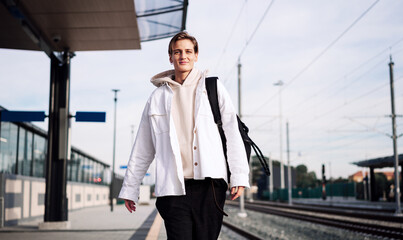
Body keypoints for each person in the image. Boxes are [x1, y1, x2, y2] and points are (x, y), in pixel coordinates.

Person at [118, 31, 250, 240]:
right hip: (173, 188)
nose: (183, 56)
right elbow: (143, 147)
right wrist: (130, 188)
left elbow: (233, 133)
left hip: (210, 187)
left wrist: (239, 176)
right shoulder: (157, 97)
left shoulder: (213, 88)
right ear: (170, 57)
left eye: (188, 51)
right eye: (177, 52)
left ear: (196, 55)